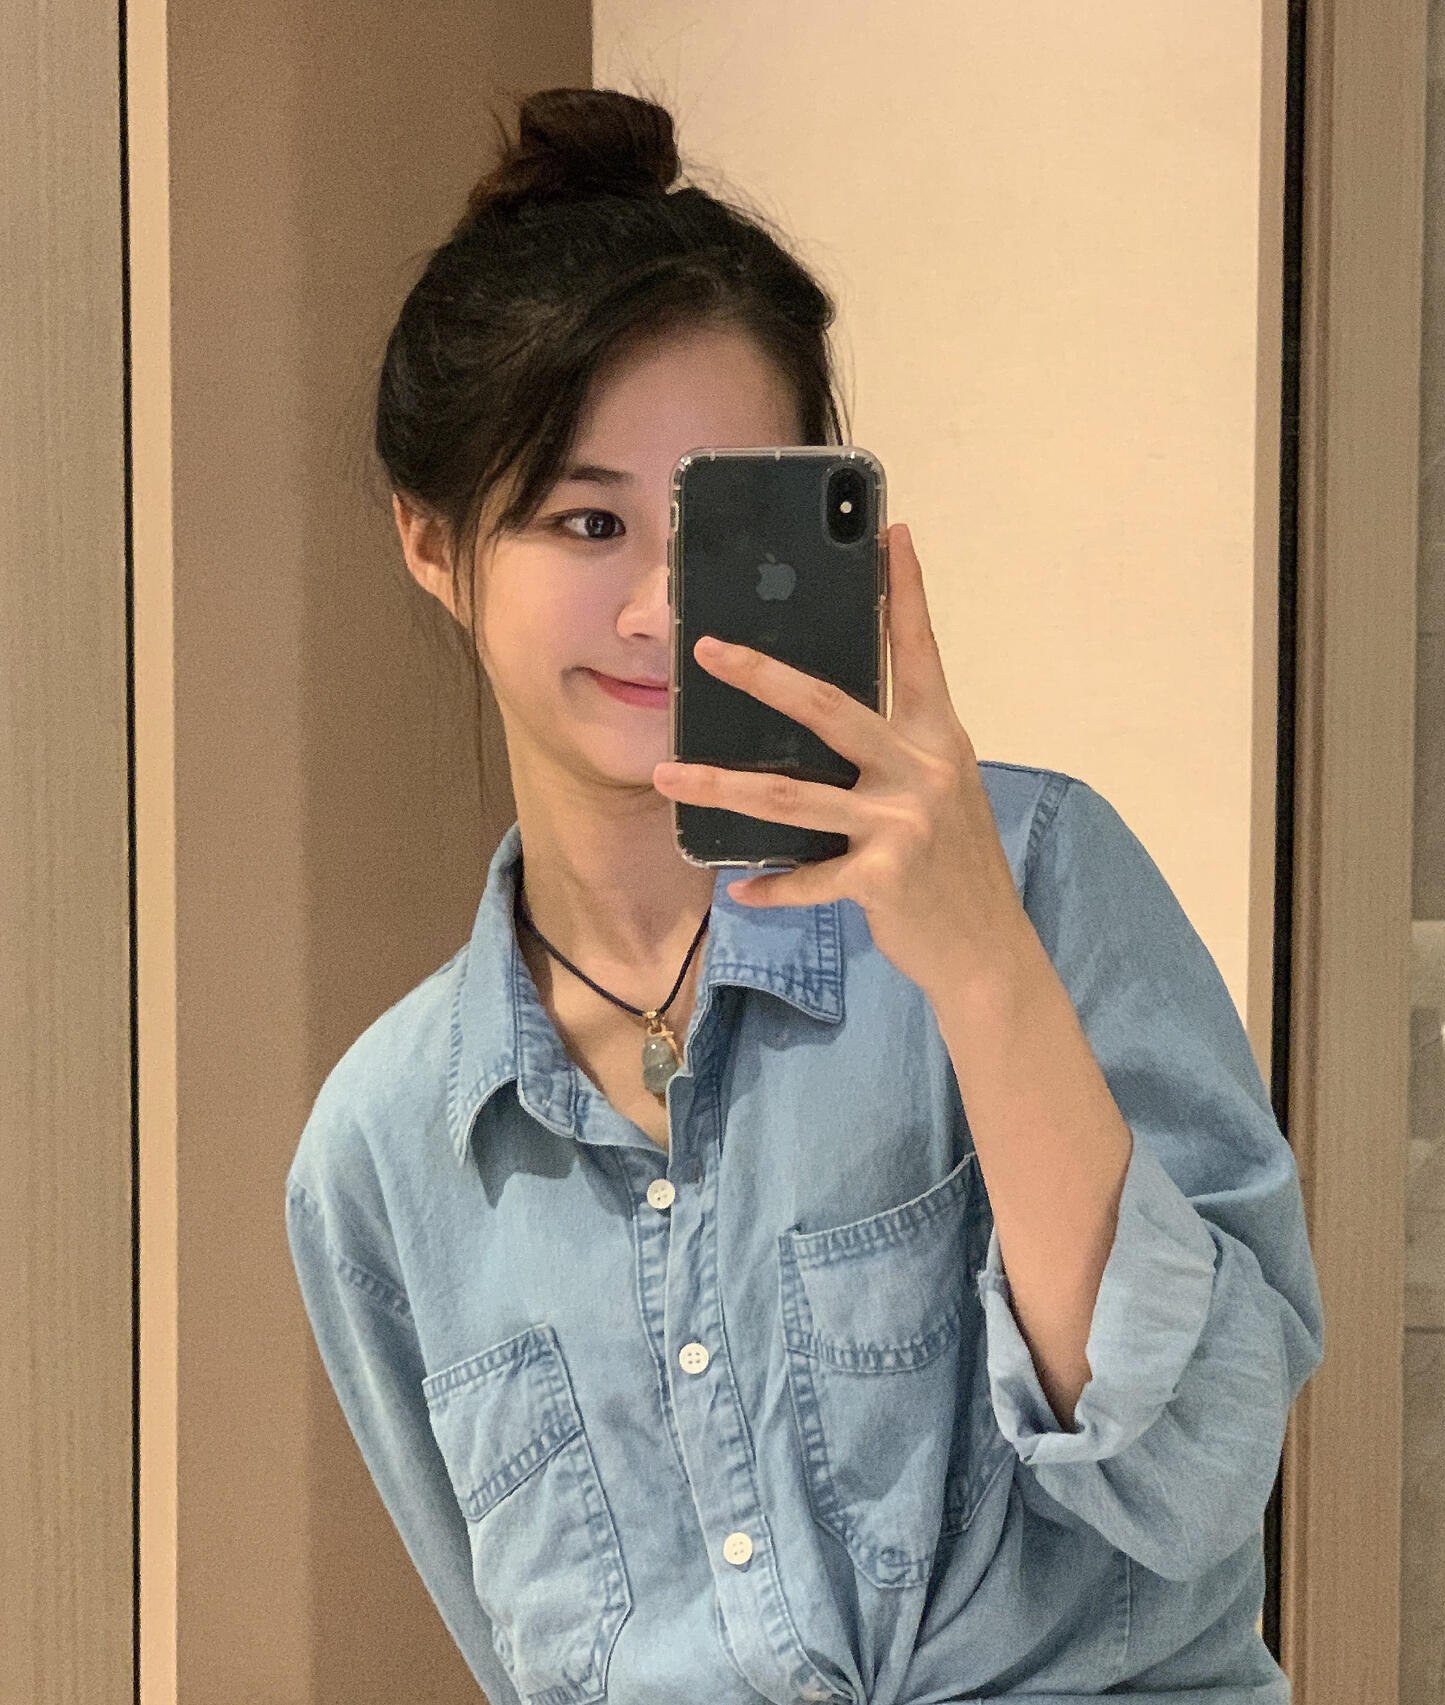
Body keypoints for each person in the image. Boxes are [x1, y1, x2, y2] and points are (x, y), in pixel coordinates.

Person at [284, 85, 1326, 1705]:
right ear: (432, 541)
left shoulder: (1035, 871)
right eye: (584, 519)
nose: (658, 604)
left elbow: (1199, 1479)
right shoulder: (383, 1151)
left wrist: (982, 973)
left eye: (715, 525)